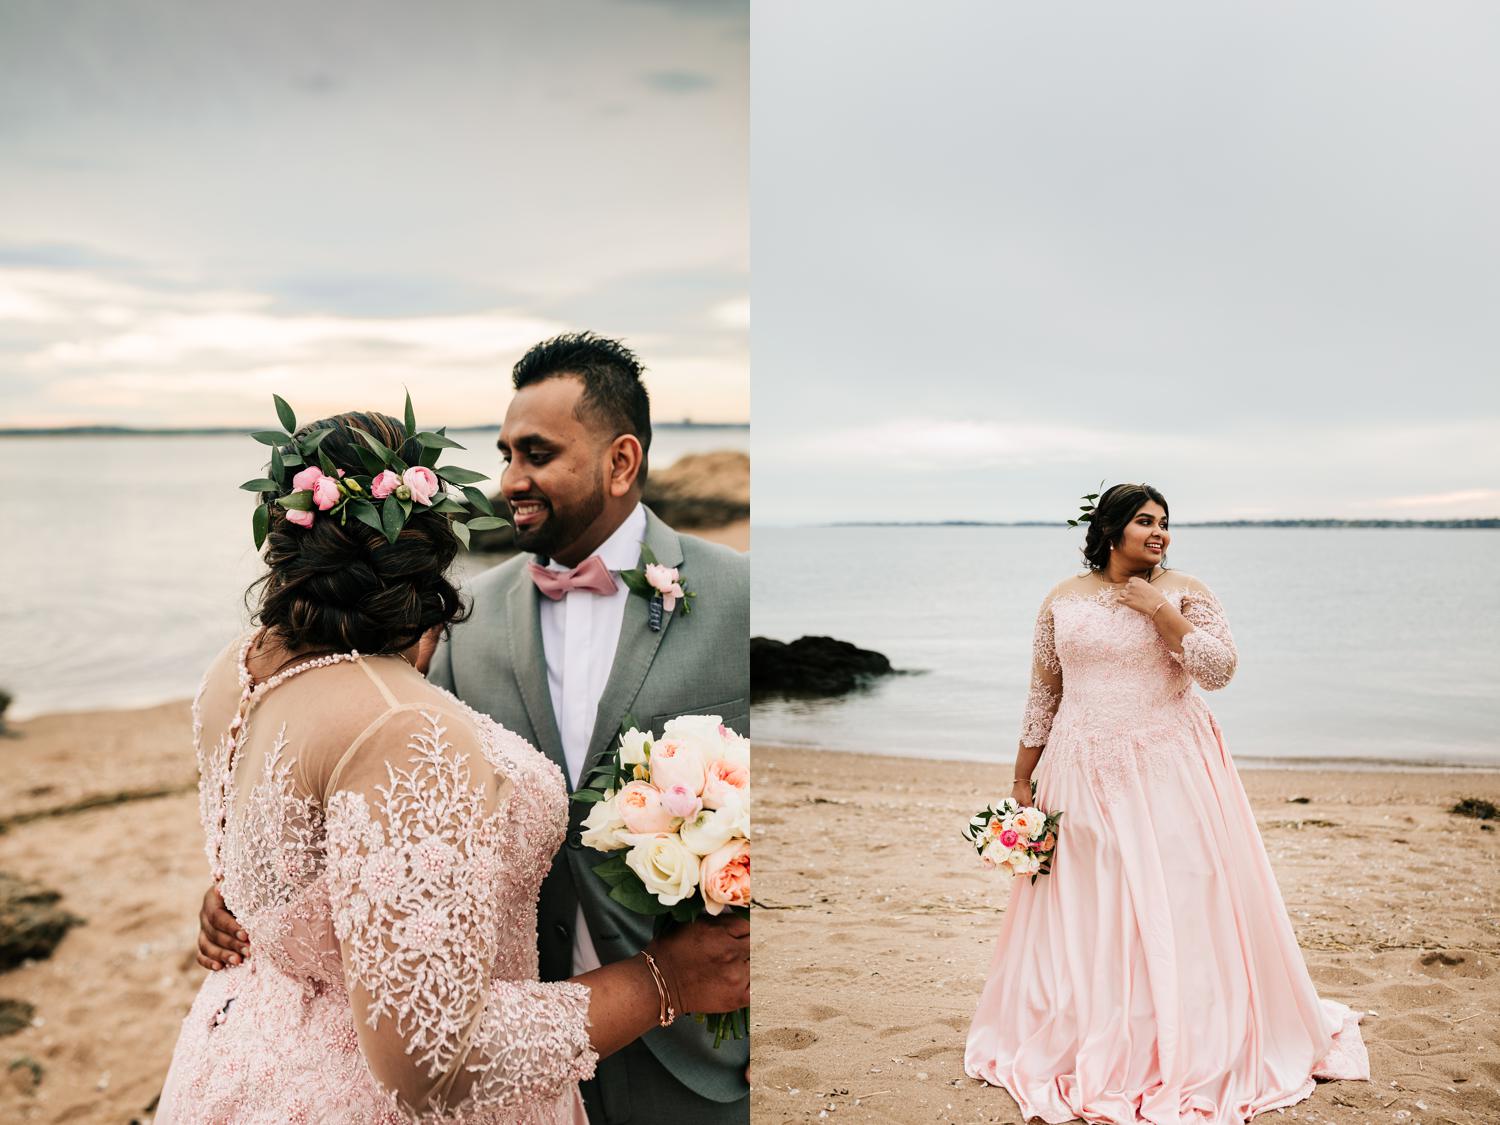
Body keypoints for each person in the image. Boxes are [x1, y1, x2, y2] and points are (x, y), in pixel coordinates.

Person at [195, 334, 750, 1123]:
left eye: (536, 453)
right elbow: (356, 789)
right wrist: (255, 888)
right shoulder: (459, 621)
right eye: (503, 452)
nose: (508, 480)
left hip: (697, 1047)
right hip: (503, 1035)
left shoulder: (742, 597)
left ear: (622, 462)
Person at [964, 482, 1368, 1124]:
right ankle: (1089, 1023)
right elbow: (1044, 691)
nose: (1159, 533)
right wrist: (1022, 776)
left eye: (1165, 523)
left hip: (1168, 765)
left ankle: (1184, 1025)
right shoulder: (1060, 599)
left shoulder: (1185, 591)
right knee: (1094, 897)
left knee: (1179, 889)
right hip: (1079, 765)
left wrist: (1157, 609)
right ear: (1111, 529)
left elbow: (1219, 670)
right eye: (1145, 522)